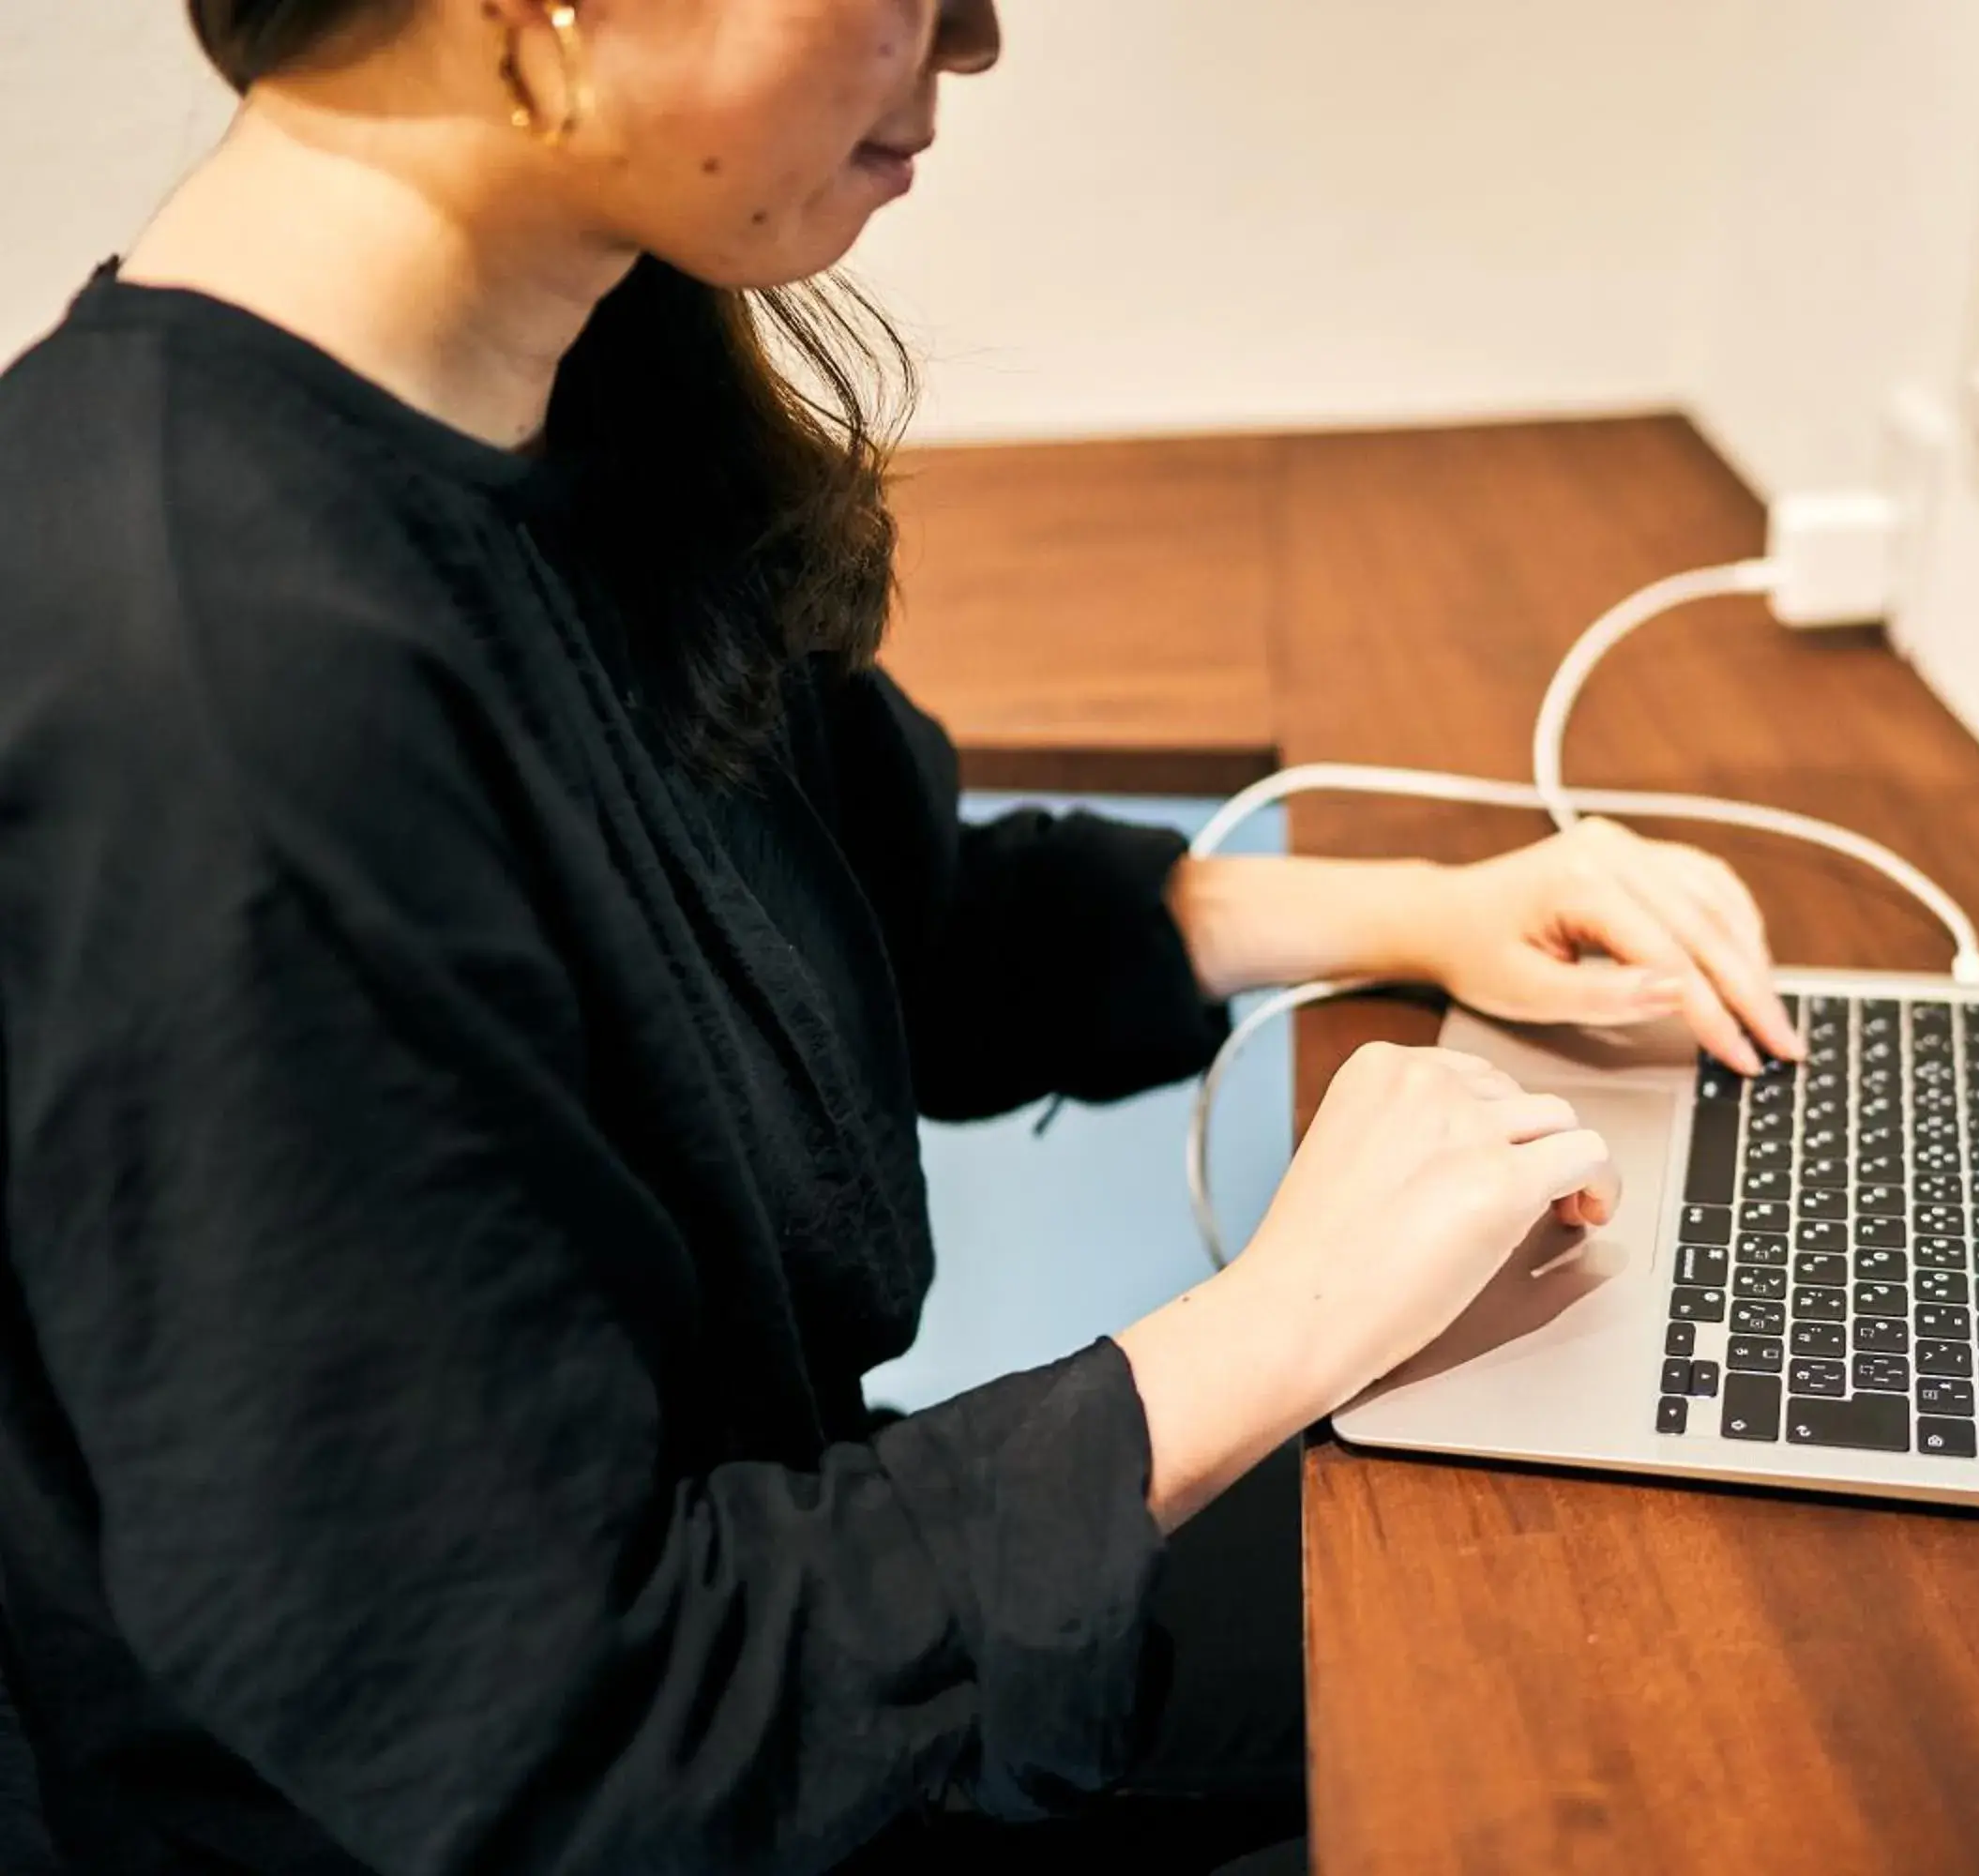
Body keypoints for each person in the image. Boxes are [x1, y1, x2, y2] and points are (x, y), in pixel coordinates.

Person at [0, 2, 1805, 1870]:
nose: (973, 35)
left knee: (1626, 1583)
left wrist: (1431, 911)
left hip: (756, 1637)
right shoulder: (200, 687)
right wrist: (1282, 1322)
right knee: (1625, 1729)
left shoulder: (571, 396)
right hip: (618, 1777)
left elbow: (889, 933)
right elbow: (564, 1731)